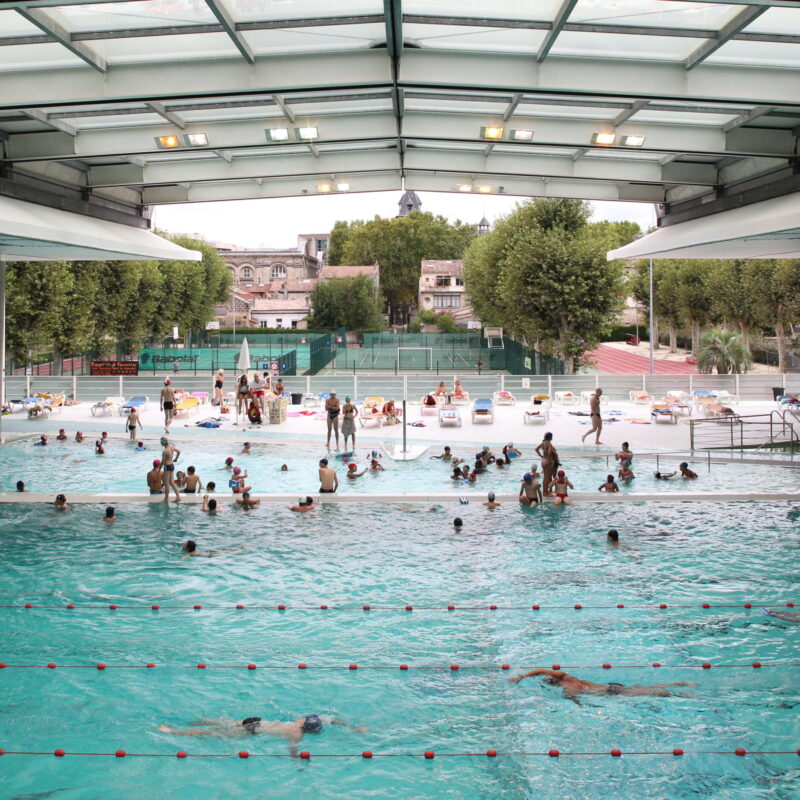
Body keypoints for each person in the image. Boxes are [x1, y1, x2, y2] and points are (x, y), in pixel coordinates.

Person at [157, 714, 366, 757]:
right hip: (252, 731)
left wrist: (353, 726)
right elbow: (293, 749)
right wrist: (298, 761)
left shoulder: (297, 722)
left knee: (216, 722)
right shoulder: (297, 733)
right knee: (212, 733)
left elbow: (333, 718)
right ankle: (173, 732)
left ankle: (181, 721)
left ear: (305, 722)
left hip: (256, 720)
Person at [508, 668, 695, 704]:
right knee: (646, 687)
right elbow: (541, 670)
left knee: (654, 693)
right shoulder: (568, 677)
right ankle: (680, 683)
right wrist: (522, 676)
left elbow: (572, 697)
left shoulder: (569, 687)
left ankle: (680, 695)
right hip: (610, 686)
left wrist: (579, 705)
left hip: (610, 691)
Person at [535, 433, 559, 497]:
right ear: (550, 437)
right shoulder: (549, 444)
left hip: (543, 461)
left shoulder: (543, 443)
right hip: (548, 462)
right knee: (547, 478)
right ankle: (545, 493)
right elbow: (549, 452)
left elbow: (536, 449)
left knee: (546, 477)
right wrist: (551, 458)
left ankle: (547, 491)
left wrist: (541, 456)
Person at [160, 436, 182, 503]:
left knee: (166, 484)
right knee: (172, 482)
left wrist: (159, 470)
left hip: (167, 466)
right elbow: (179, 451)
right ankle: (178, 497)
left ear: (162, 443)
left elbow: (163, 461)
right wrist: (176, 459)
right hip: (172, 465)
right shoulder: (171, 447)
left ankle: (166, 499)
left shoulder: (165, 451)